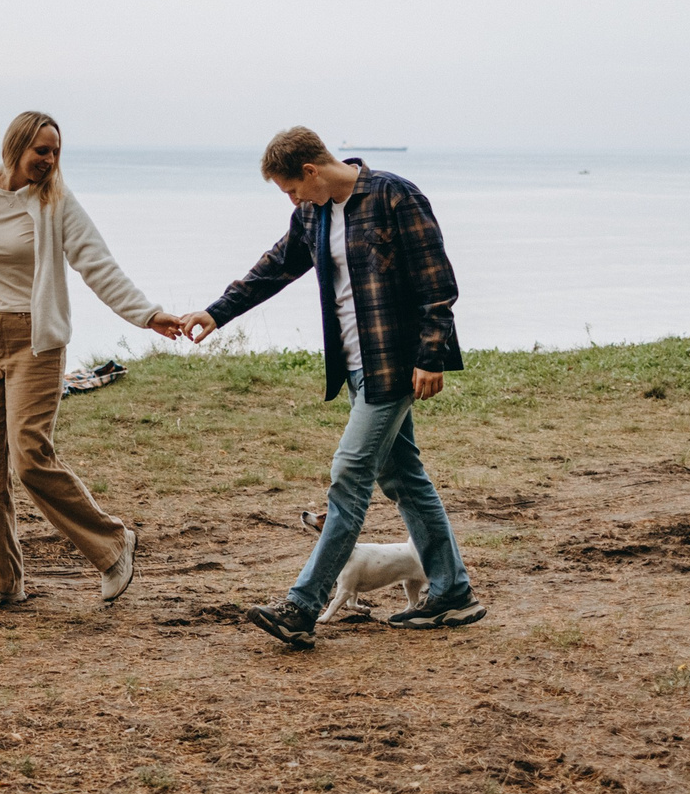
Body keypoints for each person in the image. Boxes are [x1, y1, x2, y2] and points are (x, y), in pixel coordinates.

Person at [178, 127, 483, 648]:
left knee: (349, 475)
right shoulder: (312, 214)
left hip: (394, 363)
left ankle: (302, 605)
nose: (292, 200)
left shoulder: (394, 196)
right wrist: (215, 312)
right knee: (404, 479)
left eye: (291, 189)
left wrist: (432, 355)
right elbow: (274, 268)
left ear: (312, 172)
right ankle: (453, 592)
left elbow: (437, 282)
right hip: (356, 367)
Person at [0, 111, 181, 609]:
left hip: (35, 343)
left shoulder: (57, 204)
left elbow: (98, 265)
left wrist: (148, 315)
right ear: (16, 147)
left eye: (56, 152)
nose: (50, 160)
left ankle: (112, 545)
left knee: (28, 454)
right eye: (42, 151)